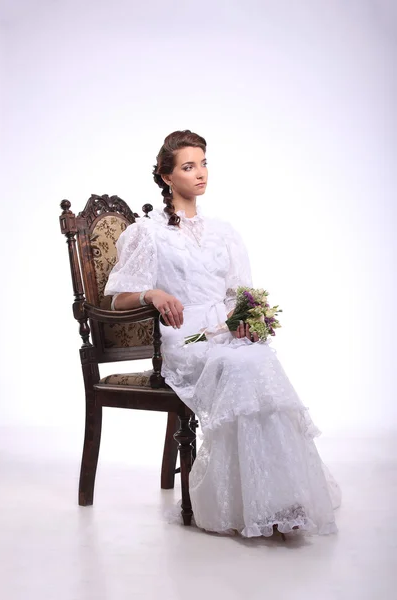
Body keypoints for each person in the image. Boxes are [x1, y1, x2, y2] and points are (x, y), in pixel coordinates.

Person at [104, 130, 341, 537]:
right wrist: (152, 292)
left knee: (259, 360)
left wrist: (248, 318)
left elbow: (238, 294)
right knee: (238, 368)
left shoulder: (224, 231)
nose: (200, 174)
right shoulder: (149, 232)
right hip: (184, 339)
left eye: (204, 163)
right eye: (188, 166)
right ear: (166, 177)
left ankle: (279, 500)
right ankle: (250, 504)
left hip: (223, 333)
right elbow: (117, 301)